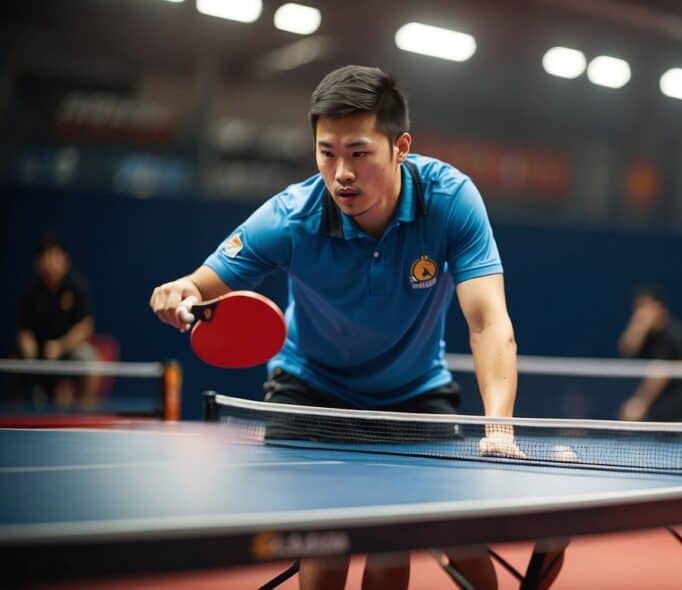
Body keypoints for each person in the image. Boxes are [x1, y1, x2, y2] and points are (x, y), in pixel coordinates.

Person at [149, 65, 563, 590]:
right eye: (327, 152)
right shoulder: (290, 217)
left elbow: (488, 322)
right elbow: (201, 285)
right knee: (327, 546)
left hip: (413, 394)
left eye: (359, 152)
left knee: (441, 553)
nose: (341, 171)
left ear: (400, 147)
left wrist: (498, 427)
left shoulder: (450, 201)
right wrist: (177, 292)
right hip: (311, 391)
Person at [17, 233, 99, 408]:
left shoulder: (77, 287)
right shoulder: (30, 291)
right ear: (38, 263)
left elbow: (85, 326)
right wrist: (28, 347)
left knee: (89, 359)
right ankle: (16, 410)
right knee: (15, 365)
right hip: (38, 352)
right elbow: (24, 330)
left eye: (54, 256)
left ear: (65, 259)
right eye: (45, 256)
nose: (50, 262)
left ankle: (85, 413)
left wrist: (60, 346)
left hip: (68, 348)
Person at [618, 285, 682, 421]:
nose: (640, 313)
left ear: (658, 307)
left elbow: (660, 372)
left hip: (677, 395)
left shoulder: (672, 334)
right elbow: (627, 349)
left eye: (644, 307)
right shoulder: (646, 334)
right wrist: (637, 327)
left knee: (664, 434)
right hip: (658, 395)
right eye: (638, 308)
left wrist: (640, 402)